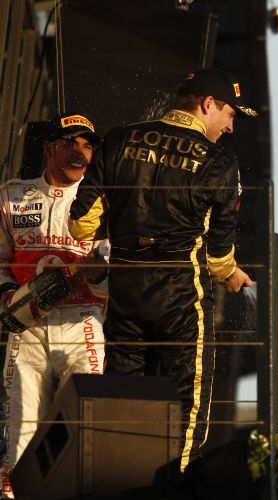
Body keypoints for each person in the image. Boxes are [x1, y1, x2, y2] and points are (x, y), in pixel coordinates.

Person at [68, 68, 254, 472]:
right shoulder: (220, 162)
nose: (230, 126)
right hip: (180, 302)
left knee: (122, 398)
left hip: (125, 296)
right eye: (230, 114)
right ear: (208, 104)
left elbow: (80, 224)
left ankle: (115, 483)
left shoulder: (119, 139)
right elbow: (220, 257)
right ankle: (173, 485)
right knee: (186, 407)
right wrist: (232, 275)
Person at [0, 112, 108, 497]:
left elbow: (115, 282)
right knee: (21, 425)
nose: (80, 152)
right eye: (70, 143)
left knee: (85, 422)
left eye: (87, 144)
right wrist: (10, 298)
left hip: (82, 323)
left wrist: (94, 272)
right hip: (27, 326)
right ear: (48, 148)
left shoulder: (105, 203)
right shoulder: (11, 195)